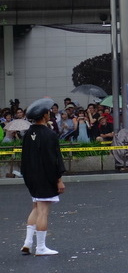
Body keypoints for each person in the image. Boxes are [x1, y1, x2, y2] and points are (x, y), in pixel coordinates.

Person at [20, 97, 66, 256]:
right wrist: (59, 180)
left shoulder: (27, 134)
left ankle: (27, 243)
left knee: (36, 207)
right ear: (45, 115)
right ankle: (40, 247)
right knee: (43, 211)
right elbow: (55, 159)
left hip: (31, 177)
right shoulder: (50, 135)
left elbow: (24, 159)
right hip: (46, 177)